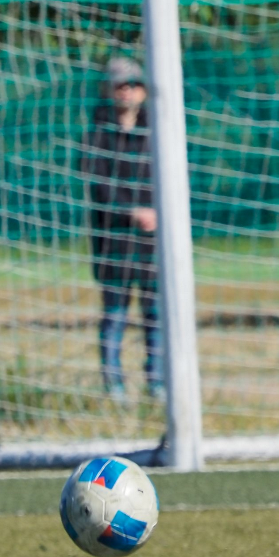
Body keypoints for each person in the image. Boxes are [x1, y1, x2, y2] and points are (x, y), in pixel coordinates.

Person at [81, 57, 163, 400]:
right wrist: (133, 212)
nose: (128, 92)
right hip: (113, 243)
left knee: (155, 315)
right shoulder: (96, 136)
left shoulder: (157, 134)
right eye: (121, 85)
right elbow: (99, 186)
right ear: (109, 91)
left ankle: (156, 381)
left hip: (151, 245)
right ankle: (113, 384)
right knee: (114, 315)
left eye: (134, 85)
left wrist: (158, 212)